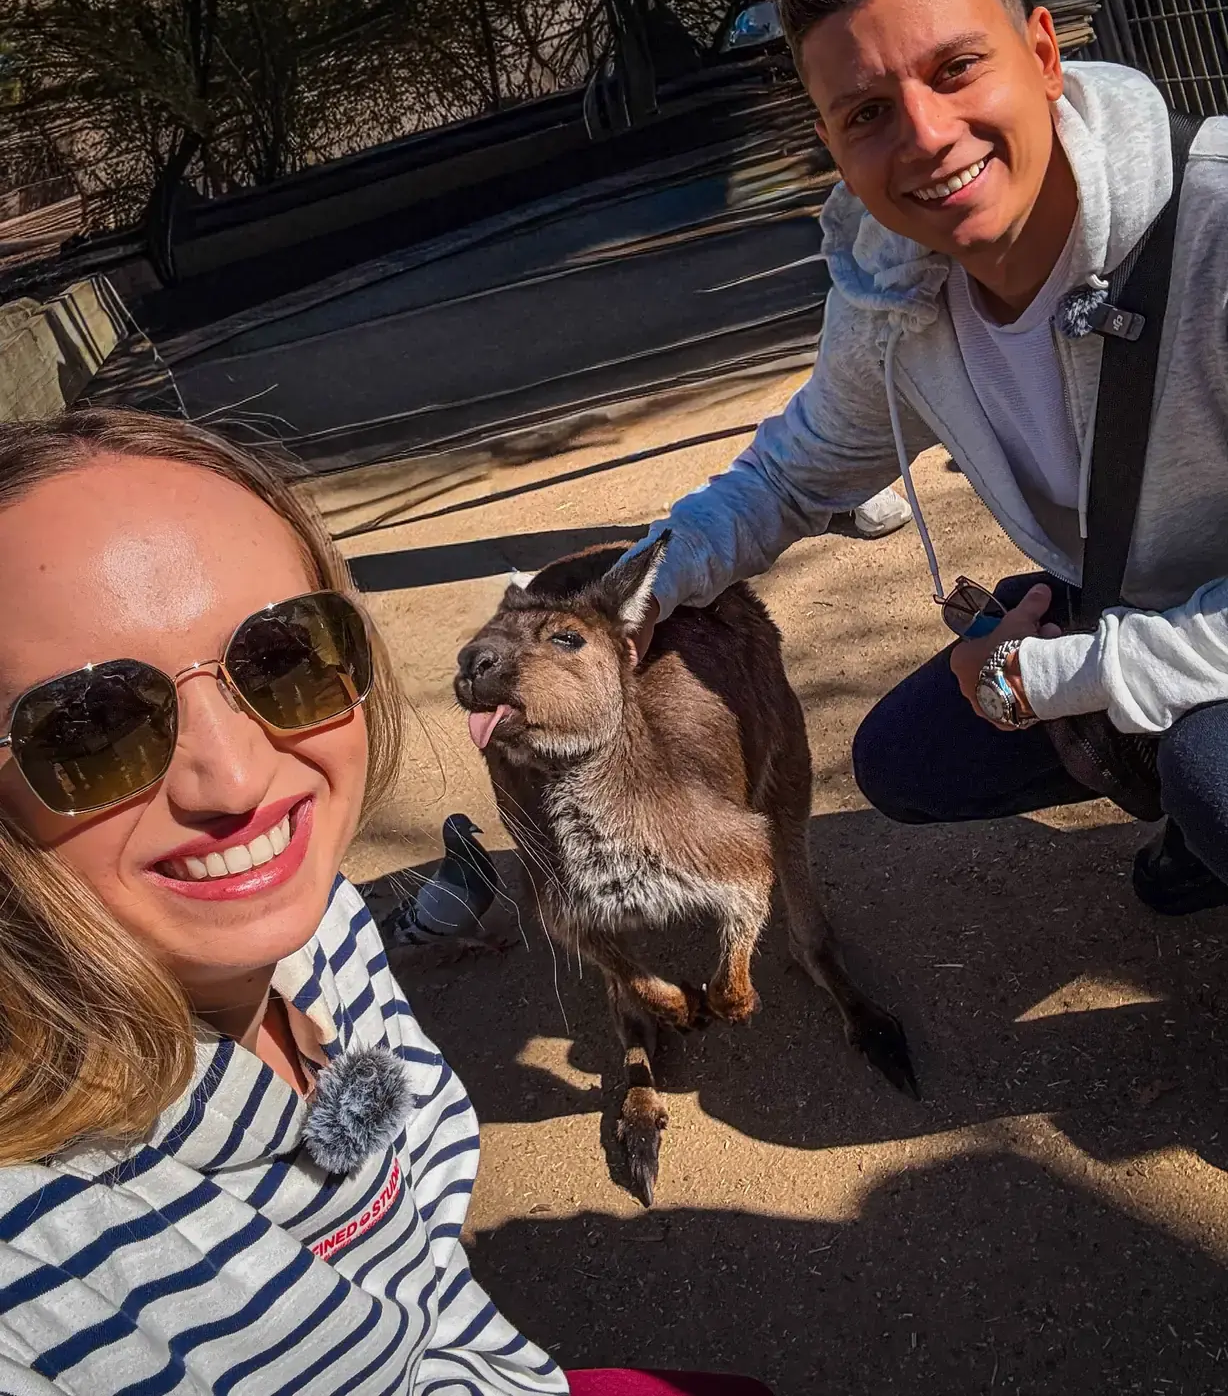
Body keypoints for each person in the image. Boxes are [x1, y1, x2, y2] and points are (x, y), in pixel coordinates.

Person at [0, 408, 773, 1396]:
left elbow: (410, 1260)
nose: (235, 779)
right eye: (89, 722)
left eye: (281, 654)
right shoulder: (39, 1257)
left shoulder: (312, 918)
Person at [627, 0, 1228, 915]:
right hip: (1138, 599)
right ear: (832, 145)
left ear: (1042, 54)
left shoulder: (1213, 229)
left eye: (956, 69)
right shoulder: (896, 294)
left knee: (1214, 774)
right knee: (909, 761)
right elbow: (788, 473)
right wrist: (618, 597)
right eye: (865, 112)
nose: (924, 134)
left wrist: (1056, 678)